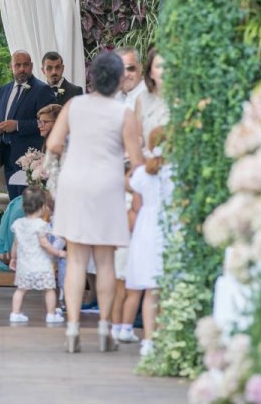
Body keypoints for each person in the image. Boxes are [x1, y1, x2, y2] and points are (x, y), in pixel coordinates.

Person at [47, 52, 144, 353]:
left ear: (91, 78)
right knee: (104, 260)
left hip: (75, 183)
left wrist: (73, 155)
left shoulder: (74, 105)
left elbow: (53, 144)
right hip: (107, 184)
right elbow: (137, 159)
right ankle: (104, 329)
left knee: (76, 258)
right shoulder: (123, 114)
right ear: (117, 79)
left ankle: (73, 329)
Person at [0, 103, 62, 270]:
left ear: (58, 123)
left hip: (60, 196)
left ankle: (20, 257)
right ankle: (10, 252)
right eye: (39, 121)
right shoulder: (47, 143)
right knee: (14, 204)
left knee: (21, 208)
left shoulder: (61, 146)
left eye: (45, 122)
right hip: (47, 193)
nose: (40, 125)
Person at [109, 46, 147, 343]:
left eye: (131, 68)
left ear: (141, 69)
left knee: (136, 251)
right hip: (117, 186)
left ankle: (132, 317)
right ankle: (122, 318)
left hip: (139, 185)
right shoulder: (116, 99)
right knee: (121, 254)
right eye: (122, 69)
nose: (127, 74)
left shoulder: (146, 101)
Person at [126, 127, 172, 358]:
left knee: (150, 288)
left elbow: (135, 206)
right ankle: (166, 335)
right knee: (167, 285)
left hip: (146, 226)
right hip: (169, 226)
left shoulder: (143, 173)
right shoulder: (177, 172)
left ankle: (148, 340)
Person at [0, 50, 56, 200]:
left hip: (30, 159)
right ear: (10, 67)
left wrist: (18, 125)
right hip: (7, 156)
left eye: (25, 65)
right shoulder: (3, 90)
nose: (22, 69)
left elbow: (47, 122)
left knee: (27, 205)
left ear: (32, 66)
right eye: (17, 65)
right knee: (13, 203)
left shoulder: (42, 90)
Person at [8, 186, 66, 325]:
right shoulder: (41, 225)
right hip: (41, 265)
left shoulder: (19, 224)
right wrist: (58, 252)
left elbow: (15, 244)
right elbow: (45, 244)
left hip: (24, 265)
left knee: (21, 290)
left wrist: (13, 259)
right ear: (42, 207)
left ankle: (15, 313)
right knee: (49, 290)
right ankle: (51, 314)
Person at [135, 48, 169, 154]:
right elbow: (138, 139)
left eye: (167, 66)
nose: (164, 71)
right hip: (149, 164)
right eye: (158, 67)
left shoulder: (183, 98)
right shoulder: (141, 99)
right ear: (150, 73)